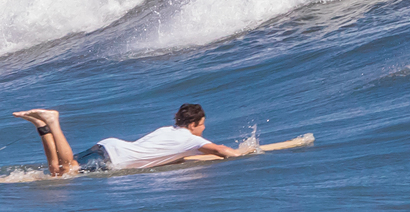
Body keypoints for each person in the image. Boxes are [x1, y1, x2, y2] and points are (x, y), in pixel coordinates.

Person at [13, 104, 254, 176]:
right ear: (192, 125)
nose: (204, 128)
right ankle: (53, 121)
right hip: (114, 157)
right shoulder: (190, 139)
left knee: (56, 170)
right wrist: (245, 152)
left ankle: (41, 126)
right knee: (67, 170)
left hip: (108, 146)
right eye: (202, 125)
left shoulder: (167, 130)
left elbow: (162, 154)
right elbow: (222, 151)